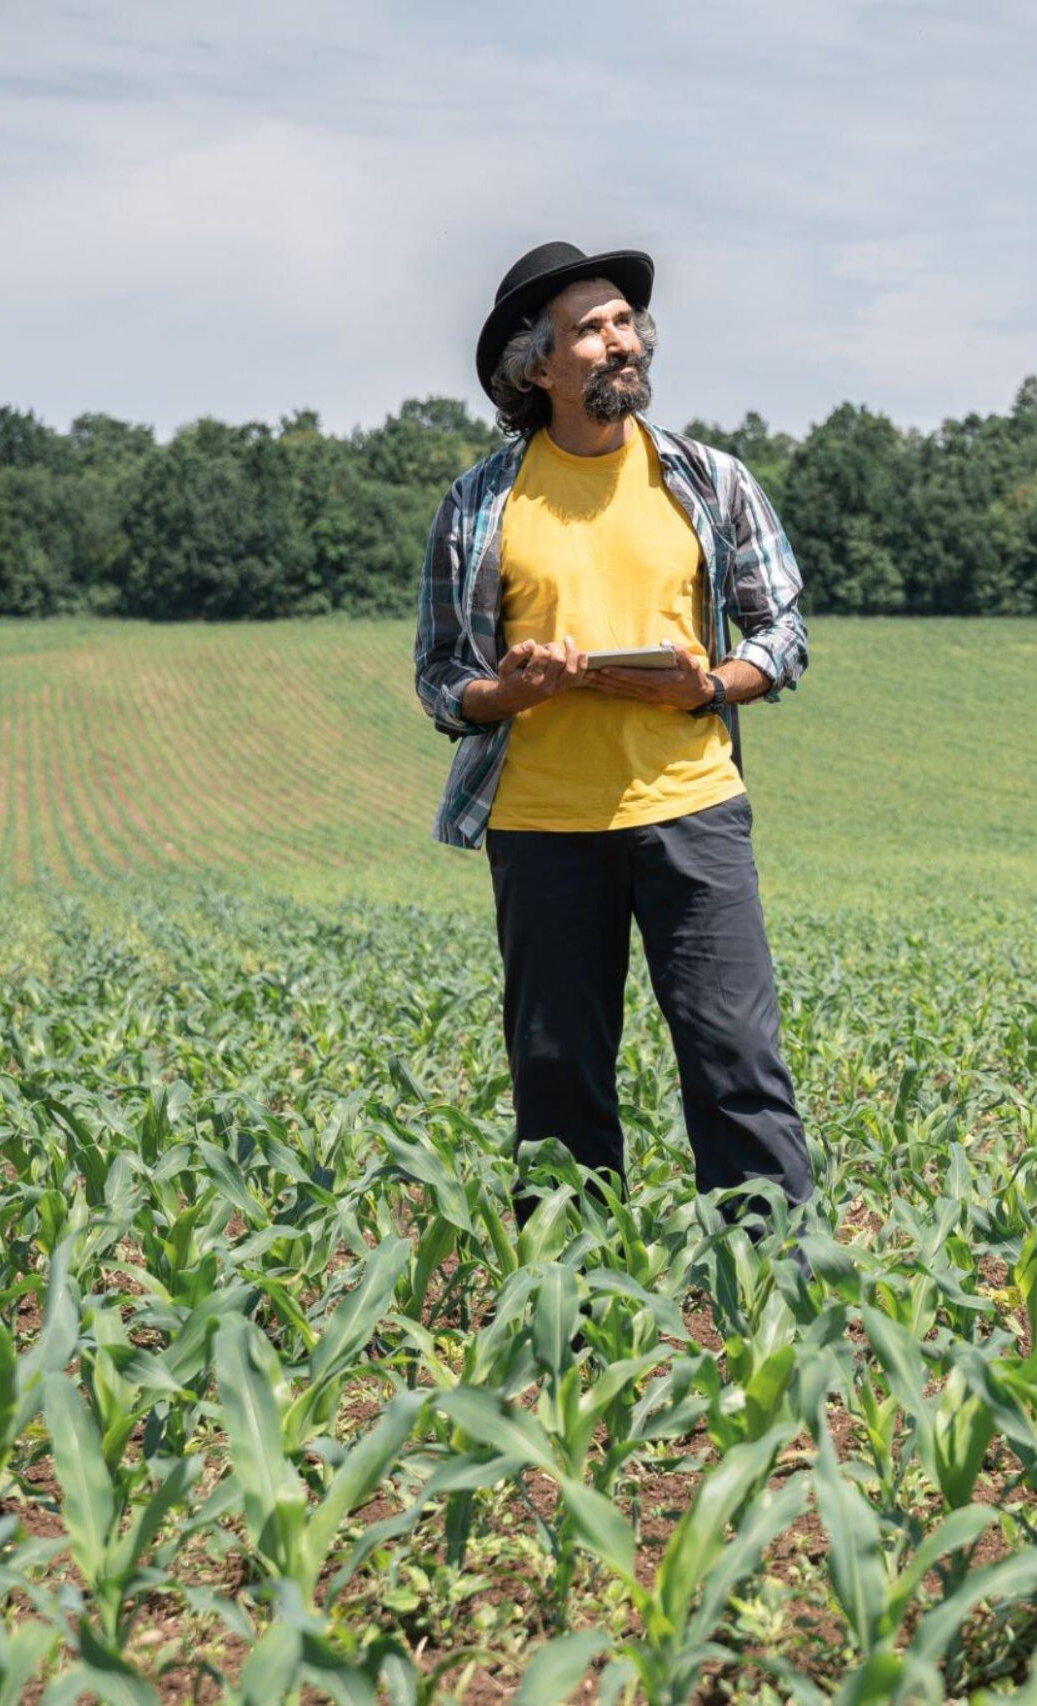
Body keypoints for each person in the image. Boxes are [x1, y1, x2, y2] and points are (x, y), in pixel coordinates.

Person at [412, 240, 812, 1238]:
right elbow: (440, 681)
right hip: (542, 829)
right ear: (535, 367)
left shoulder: (707, 480)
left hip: (692, 813)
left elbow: (784, 632)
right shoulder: (479, 503)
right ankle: (571, 1313)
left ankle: (773, 1296)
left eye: (625, 323)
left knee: (736, 1063)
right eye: (589, 329)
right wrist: (508, 690)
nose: (618, 340)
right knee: (557, 1084)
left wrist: (709, 681)